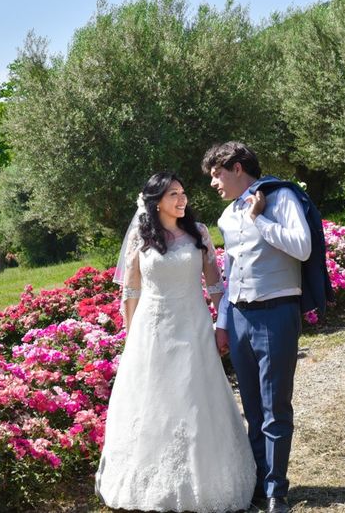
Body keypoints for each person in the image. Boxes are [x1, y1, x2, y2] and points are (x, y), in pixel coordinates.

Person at [96, 171, 256, 513]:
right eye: (173, 194)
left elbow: (215, 286)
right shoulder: (142, 237)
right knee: (155, 400)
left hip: (194, 325)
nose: (182, 199)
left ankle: (206, 480)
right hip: (152, 329)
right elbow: (132, 290)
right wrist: (130, 334)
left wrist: (221, 325)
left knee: (195, 395)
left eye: (183, 193)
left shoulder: (198, 234)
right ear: (156, 202)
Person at [202, 141, 331, 513]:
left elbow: (302, 247)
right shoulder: (227, 217)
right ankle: (257, 484)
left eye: (217, 174)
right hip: (239, 317)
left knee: (276, 406)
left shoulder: (281, 197)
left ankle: (277, 491)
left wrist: (260, 218)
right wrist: (223, 323)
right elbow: (229, 274)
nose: (214, 183)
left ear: (237, 167)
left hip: (276, 312)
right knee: (253, 408)